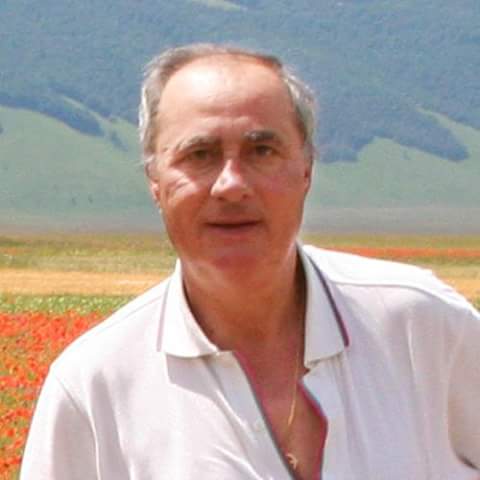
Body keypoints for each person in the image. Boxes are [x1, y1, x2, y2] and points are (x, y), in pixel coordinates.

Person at [20, 43, 480, 480]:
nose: (232, 185)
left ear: (306, 168)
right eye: (199, 155)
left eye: (262, 151)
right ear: (154, 180)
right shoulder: (93, 387)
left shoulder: (422, 326)